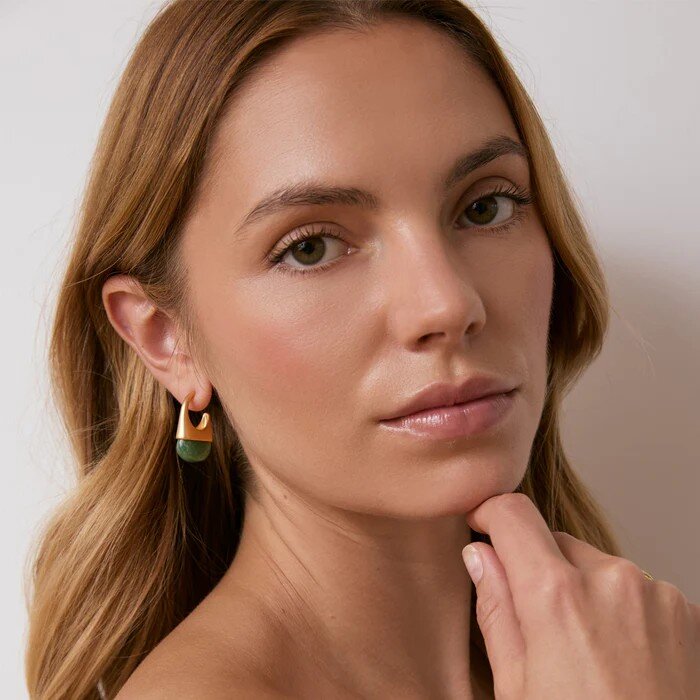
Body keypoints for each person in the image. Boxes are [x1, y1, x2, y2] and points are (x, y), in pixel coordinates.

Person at [24, 1, 699, 698]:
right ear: (165, 339)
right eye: (311, 248)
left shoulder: (624, 652)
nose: (447, 304)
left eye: (485, 207)